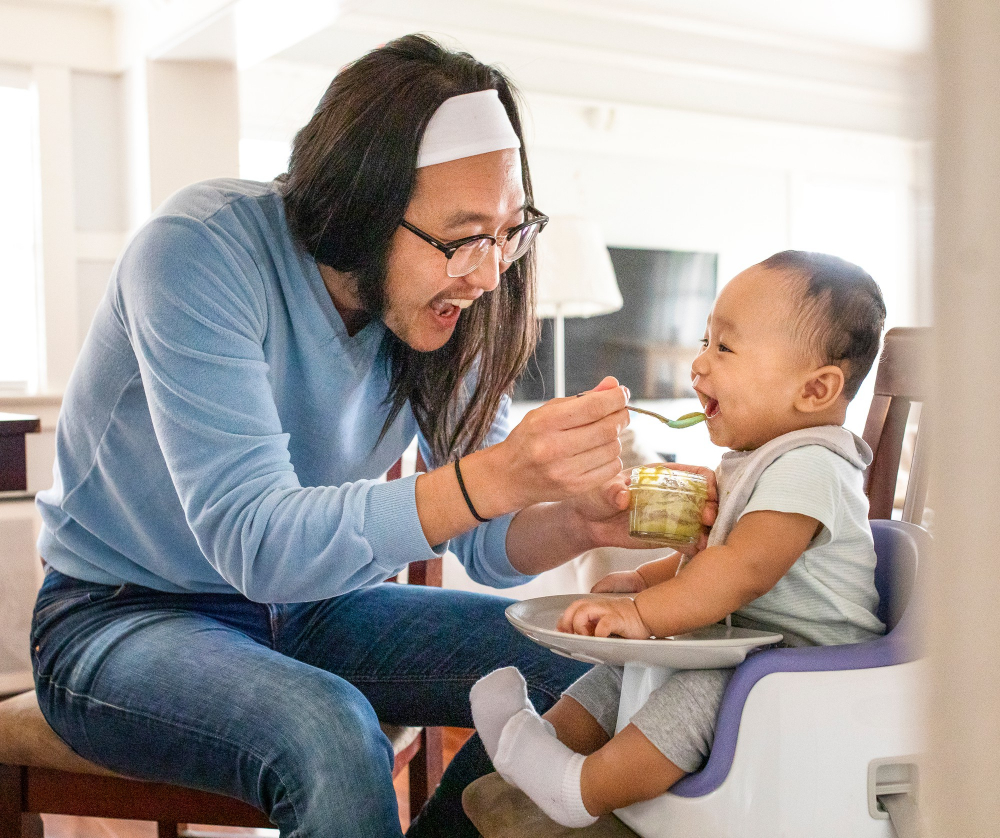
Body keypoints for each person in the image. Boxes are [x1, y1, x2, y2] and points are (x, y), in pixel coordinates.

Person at [29, 35, 716, 837]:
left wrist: (574, 519)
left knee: (586, 668)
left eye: (509, 232)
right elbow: (257, 544)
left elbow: (488, 549)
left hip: (315, 607)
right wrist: (498, 474)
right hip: (119, 617)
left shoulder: (450, 302)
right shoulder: (199, 253)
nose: (490, 273)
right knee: (328, 732)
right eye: (462, 238)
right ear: (360, 204)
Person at [470, 250, 888, 828]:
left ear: (816, 390)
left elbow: (741, 570)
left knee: (694, 693)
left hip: (807, 666)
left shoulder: (812, 464)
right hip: (753, 643)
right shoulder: (756, 460)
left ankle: (580, 790)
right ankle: (538, 743)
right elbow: (711, 559)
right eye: (704, 341)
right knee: (626, 668)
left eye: (725, 348)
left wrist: (643, 611)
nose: (698, 365)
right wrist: (641, 582)